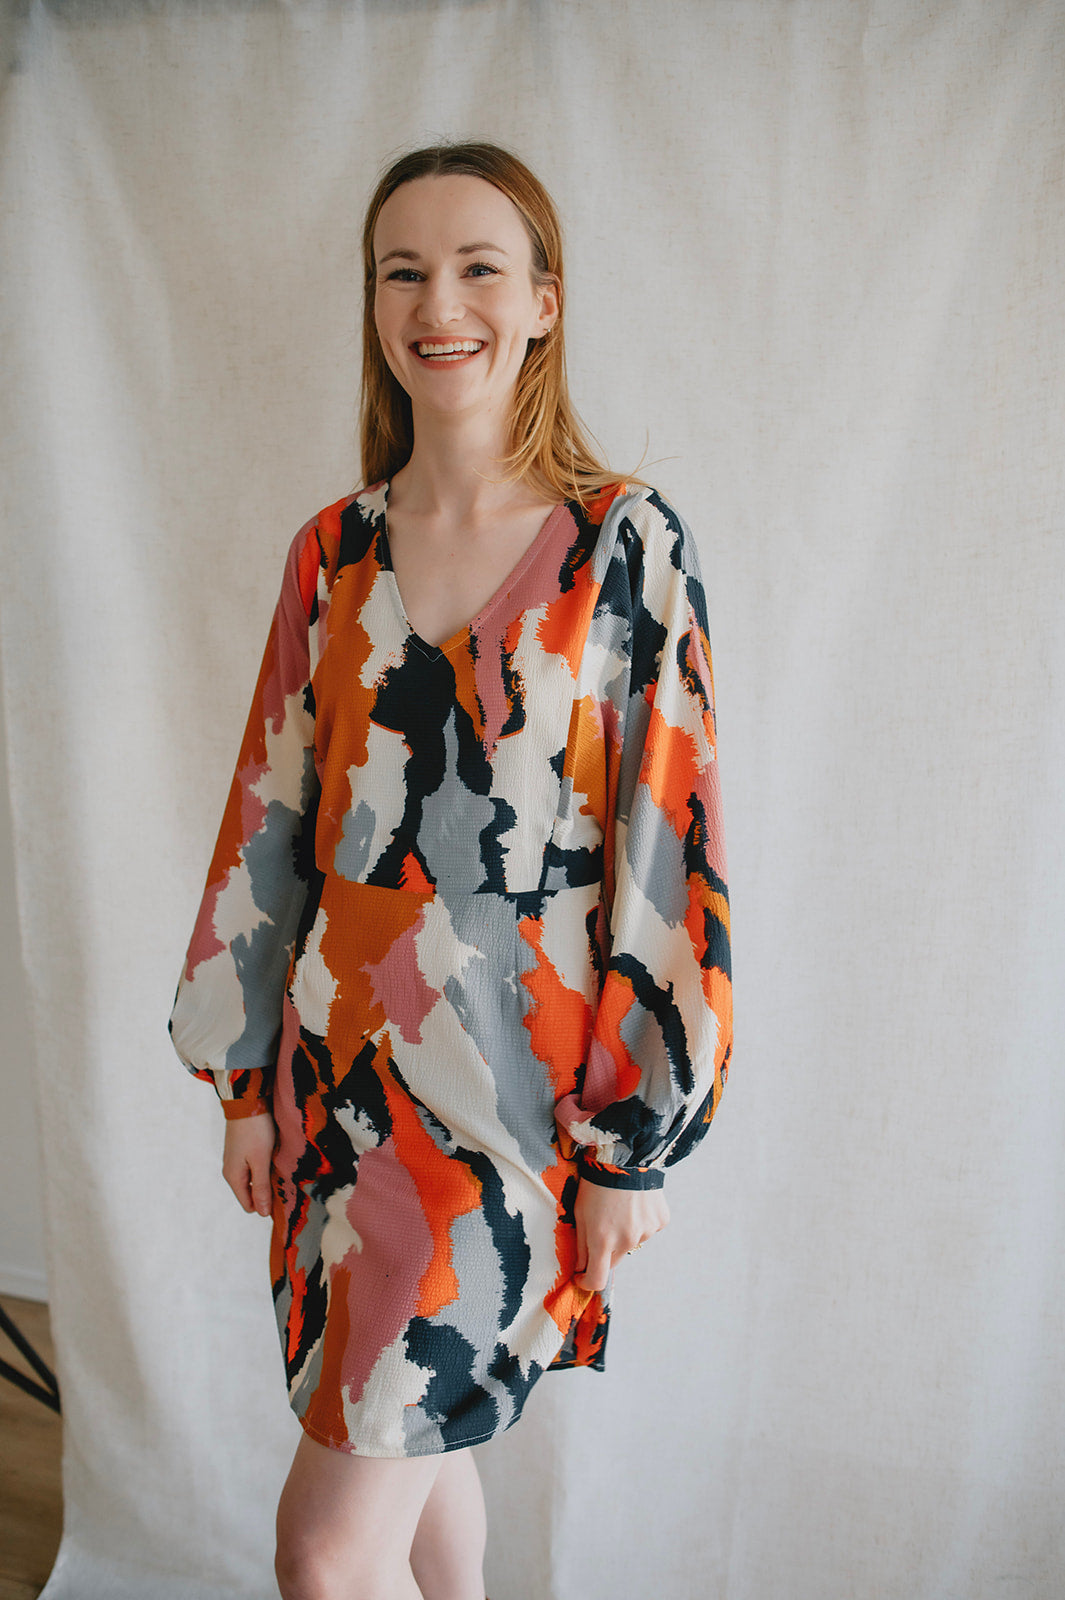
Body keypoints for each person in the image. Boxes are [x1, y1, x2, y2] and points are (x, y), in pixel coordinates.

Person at [170, 141, 732, 1600]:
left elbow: (667, 848)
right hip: (342, 1086)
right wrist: (244, 1080)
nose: (439, 303)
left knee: (323, 1547)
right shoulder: (332, 553)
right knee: (419, 1427)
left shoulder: (623, 546)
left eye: (480, 267)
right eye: (402, 272)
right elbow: (269, 820)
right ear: (372, 304)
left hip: (517, 1096)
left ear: (544, 300)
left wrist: (634, 1142)